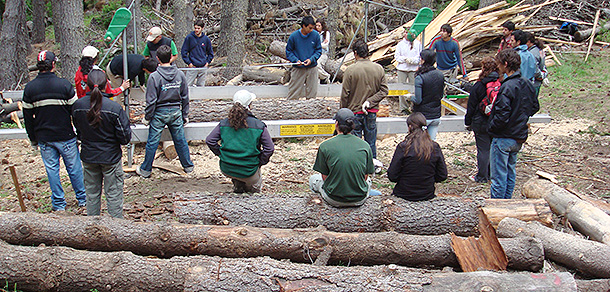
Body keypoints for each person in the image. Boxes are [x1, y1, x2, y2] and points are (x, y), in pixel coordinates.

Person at [22, 50, 87, 211]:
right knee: (74, 168)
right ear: (53, 64)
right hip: (65, 135)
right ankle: (83, 199)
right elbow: (76, 111)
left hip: (44, 137)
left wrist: (33, 139)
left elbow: (28, 118)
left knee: (52, 170)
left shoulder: (30, 88)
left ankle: (58, 204)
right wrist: (80, 133)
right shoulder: (64, 85)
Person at [72, 69, 131, 218]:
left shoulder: (78, 106)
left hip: (89, 156)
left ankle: (92, 228)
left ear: (87, 85)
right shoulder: (114, 108)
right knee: (114, 194)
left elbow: (78, 131)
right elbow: (125, 137)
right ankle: (116, 229)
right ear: (107, 84)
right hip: (110, 157)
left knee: (91, 194)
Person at [136, 45, 194, 178]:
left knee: (152, 142)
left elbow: (151, 101)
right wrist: (185, 114)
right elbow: (185, 96)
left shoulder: (154, 77)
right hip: (175, 112)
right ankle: (188, 166)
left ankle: (145, 170)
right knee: (180, 140)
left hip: (159, 113)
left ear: (157, 59)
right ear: (171, 58)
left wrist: (147, 117)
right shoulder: (180, 74)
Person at [488, 49, 539, 199]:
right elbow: (535, 106)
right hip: (518, 135)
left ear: (505, 64)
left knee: (498, 176)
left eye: (499, 64)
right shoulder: (527, 84)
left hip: (504, 136)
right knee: (510, 172)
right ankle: (508, 202)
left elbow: (502, 114)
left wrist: (492, 128)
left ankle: (497, 207)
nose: (498, 67)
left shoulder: (508, 86)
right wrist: (521, 118)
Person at [205, 90, 275, 193]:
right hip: (249, 171)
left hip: (227, 168)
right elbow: (269, 148)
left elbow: (210, 140)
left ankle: (238, 184)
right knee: (255, 185)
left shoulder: (224, 123)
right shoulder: (258, 125)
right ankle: (251, 190)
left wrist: (221, 154)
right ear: (250, 105)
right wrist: (260, 162)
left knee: (237, 173)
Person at [309, 108, 380, 207]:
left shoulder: (325, 146)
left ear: (336, 124)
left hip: (333, 198)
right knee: (368, 182)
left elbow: (324, 177)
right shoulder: (364, 145)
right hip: (359, 198)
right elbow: (365, 177)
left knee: (313, 179)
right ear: (353, 125)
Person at [340, 39, 388, 160]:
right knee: (371, 141)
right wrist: (371, 102)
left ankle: (357, 163)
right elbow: (384, 91)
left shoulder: (350, 70)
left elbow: (345, 94)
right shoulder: (379, 68)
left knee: (355, 142)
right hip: (371, 112)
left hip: (354, 112)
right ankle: (371, 164)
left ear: (355, 53)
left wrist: (342, 113)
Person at [387, 112, 447, 201]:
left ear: (410, 127)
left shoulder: (403, 147)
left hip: (404, 194)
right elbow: (442, 175)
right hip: (427, 194)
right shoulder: (434, 147)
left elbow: (392, 175)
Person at [464, 57, 499, 183]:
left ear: (483, 69)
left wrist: (468, 122)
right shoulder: (501, 83)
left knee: (483, 150)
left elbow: (471, 106)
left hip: (480, 121)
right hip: (496, 120)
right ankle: (492, 173)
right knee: (493, 148)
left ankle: (482, 176)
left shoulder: (479, 85)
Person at [410, 49, 444, 141]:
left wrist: (410, 97)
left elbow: (418, 100)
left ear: (423, 60)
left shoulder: (420, 78)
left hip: (423, 116)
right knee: (431, 143)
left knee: (420, 143)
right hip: (436, 115)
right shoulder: (440, 75)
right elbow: (441, 95)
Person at [285, 16, 322, 99]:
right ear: (304, 26)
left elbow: (318, 51)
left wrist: (311, 59)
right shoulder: (294, 36)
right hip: (298, 69)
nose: (311, 30)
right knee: (293, 94)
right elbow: (288, 52)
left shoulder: (315, 35)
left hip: (312, 68)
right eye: (309, 28)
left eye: (313, 28)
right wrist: (295, 60)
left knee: (312, 94)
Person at [394, 26, 422, 115]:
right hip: (402, 69)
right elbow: (397, 57)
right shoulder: (400, 44)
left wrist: (412, 61)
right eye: (405, 33)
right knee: (401, 88)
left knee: (414, 88)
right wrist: (405, 59)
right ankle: (403, 108)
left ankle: (414, 106)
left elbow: (419, 57)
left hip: (413, 69)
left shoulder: (417, 44)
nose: (407, 34)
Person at [181, 19, 214, 87]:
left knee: (201, 86)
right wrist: (189, 63)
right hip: (193, 67)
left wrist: (207, 62)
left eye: (198, 28)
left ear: (202, 28)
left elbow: (210, 53)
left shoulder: (206, 39)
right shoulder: (189, 38)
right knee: (187, 85)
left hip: (203, 67)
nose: (196, 30)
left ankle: (199, 98)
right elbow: (184, 52)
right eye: (195, 28)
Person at [525, 32, 548, 97]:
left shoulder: (532, 53)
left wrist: (541, 76)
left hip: (533, 83)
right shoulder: (539, 50)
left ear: (529, 42)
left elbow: (534, 69)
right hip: (536, 83)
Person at [315, 19, 331, 83]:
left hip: (323, 54)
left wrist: (317, 44)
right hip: (315, 53)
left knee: (317, 65)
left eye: (319, 26)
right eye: (316, 25)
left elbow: (325, 46)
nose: (317, 27)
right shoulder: (315, 33)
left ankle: (325, 76)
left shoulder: (326, 33)